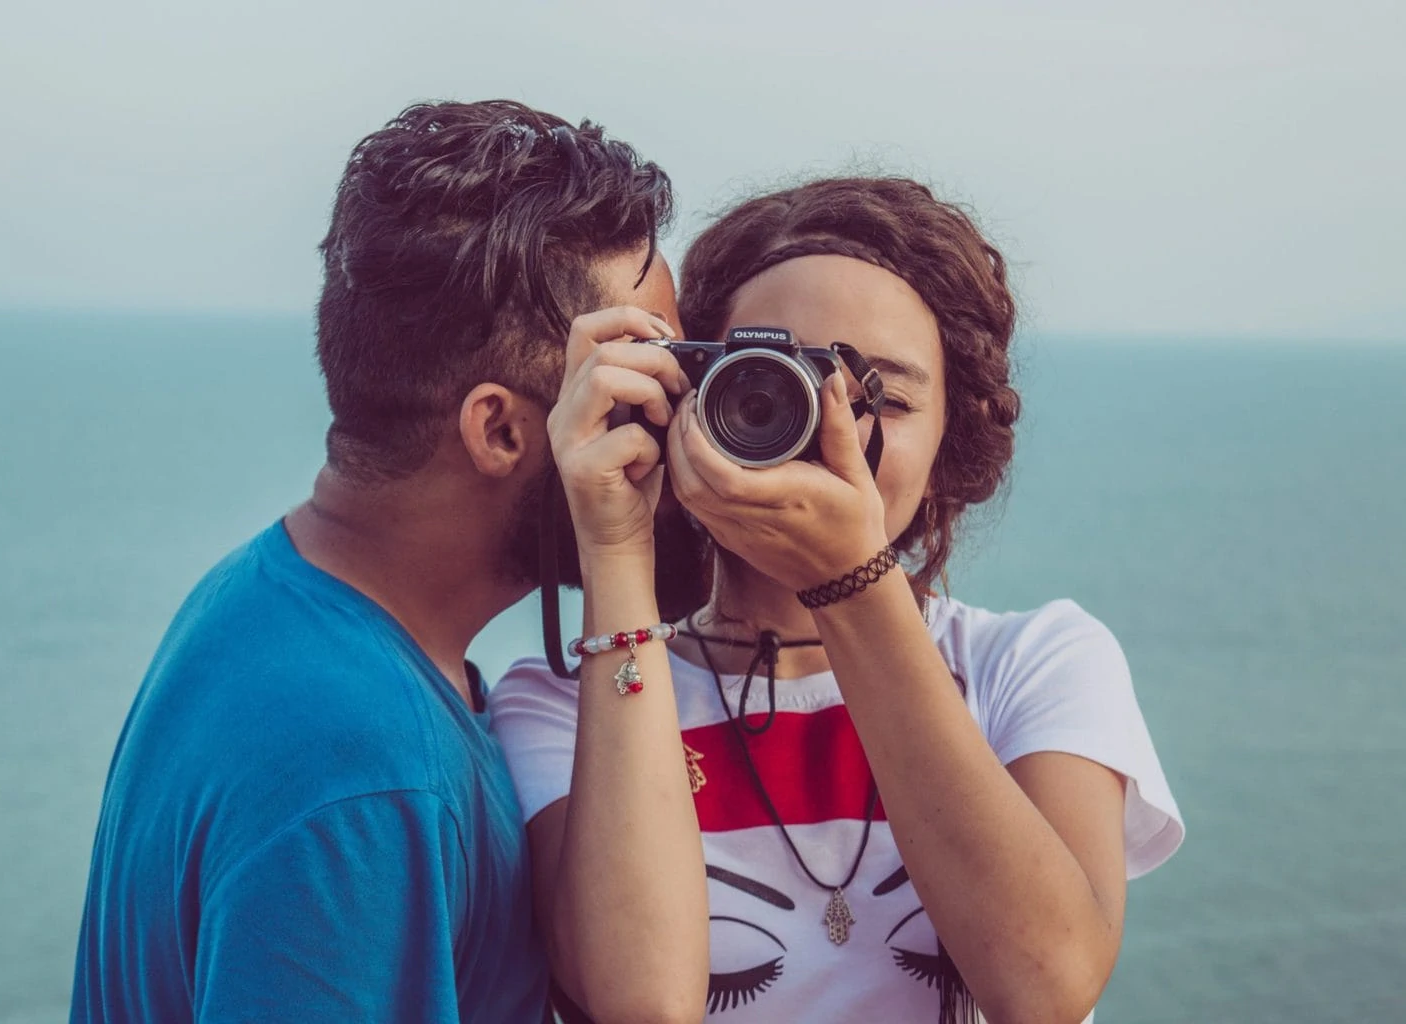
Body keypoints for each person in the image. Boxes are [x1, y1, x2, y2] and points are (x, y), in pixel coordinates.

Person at [489, 177, 1185, 1023]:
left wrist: (851, 586)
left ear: (950, 440)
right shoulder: (565, 704)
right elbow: (638, 1004)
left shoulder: (1032, 668)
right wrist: (614, 548)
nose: (829, 434)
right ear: (679, 394)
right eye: (768, 385)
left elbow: (1045, 987)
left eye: (880, 396)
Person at [69, 99, 680, 1023]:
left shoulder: (265, 595)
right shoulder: (363, 771)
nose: (677, 419)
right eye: (645, 378)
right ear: (502, 429)